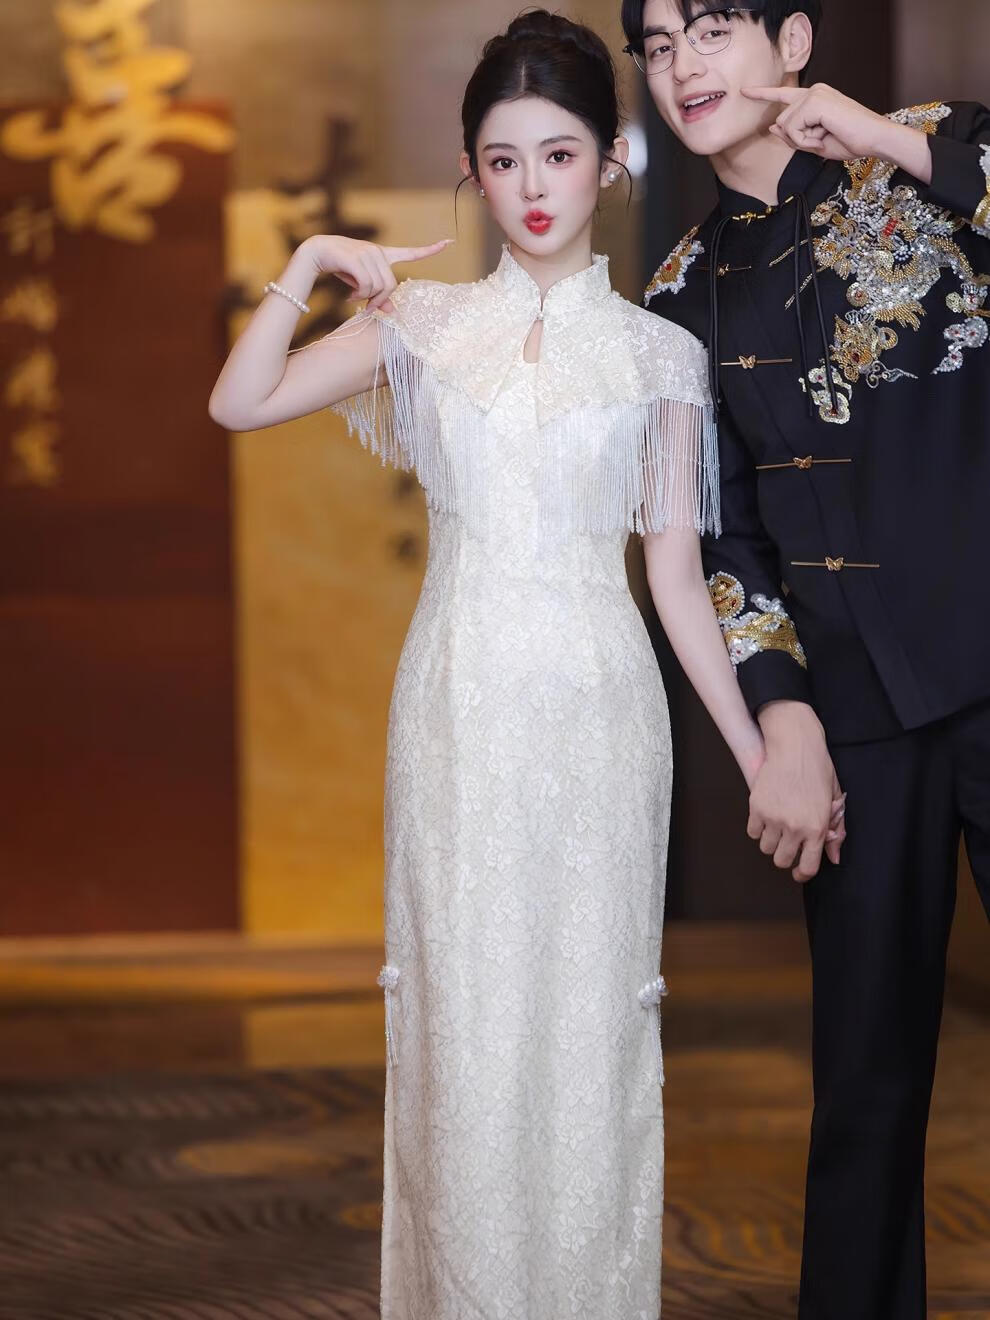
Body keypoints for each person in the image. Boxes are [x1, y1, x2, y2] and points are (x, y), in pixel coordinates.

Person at [210, 11, 845, 1316]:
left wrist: (758, 754)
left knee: (592, 1040)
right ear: (472, 171)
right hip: (455, 710)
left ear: (609, 161)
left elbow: (676, 580)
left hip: (606, 724)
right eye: (502, 162)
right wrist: (313, 261)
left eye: (558, 155)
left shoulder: (662, 353)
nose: (533, 188)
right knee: (461, 1036)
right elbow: (239, 400)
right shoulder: (423, 326)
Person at [621, 0, 990, 1314]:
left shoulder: (931, 149)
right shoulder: (675, 298)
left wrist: (887, 140)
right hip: (853, 716)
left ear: (790, 40)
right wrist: (779, 714)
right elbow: (724, 539)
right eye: (657, 45)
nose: (683, 65)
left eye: (711, 28)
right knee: (864, 1093)